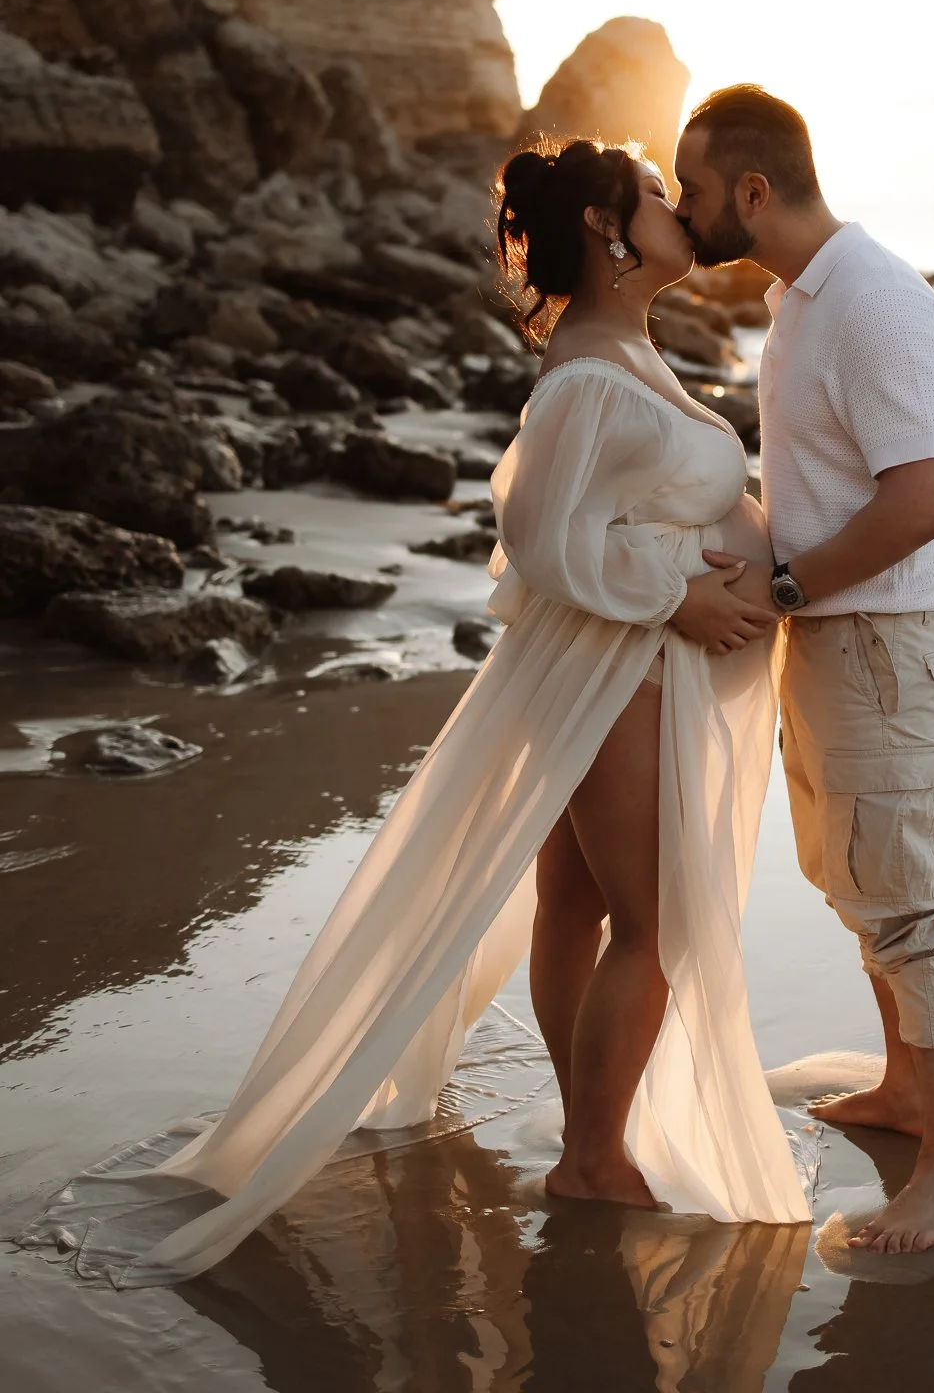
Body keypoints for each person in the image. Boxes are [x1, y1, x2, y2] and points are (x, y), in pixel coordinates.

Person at [24, 138, 807, 1288]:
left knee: (579, 899)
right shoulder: (588, 374)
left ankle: (593, 1118)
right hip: (613, 666)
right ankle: (593, 1153)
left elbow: (610, 510)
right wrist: (678, 592)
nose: (678, 215)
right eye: (656, 197)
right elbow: (540, 540)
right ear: (604, 227)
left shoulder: (624, 350)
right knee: (648, 922)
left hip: (611, 664)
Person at [674, 86, 934, 1256]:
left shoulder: (868, 301)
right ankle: (911, 1092)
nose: (681, 206)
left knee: (908, 895)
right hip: (839, 636)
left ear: (753, 191)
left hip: (880, 637)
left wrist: (787, 588)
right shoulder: (797, 297)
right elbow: (832, 483)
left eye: (695, 189)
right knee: (857, 873)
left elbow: (921, 499)